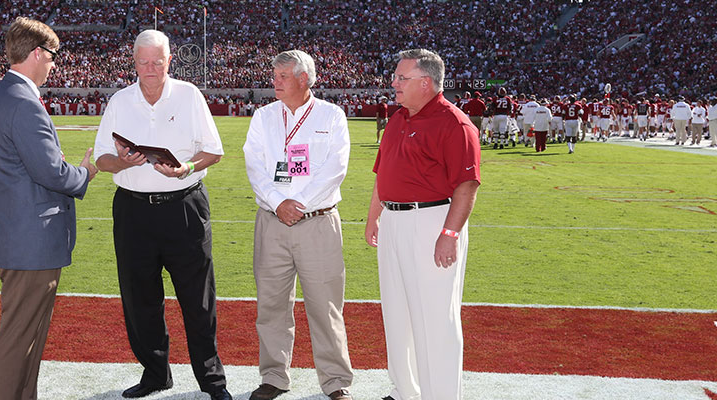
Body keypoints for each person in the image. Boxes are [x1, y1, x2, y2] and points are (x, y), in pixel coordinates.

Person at [93, 29, 231, 400]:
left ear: (170, 60)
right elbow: (102, 158)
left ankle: (212, 381)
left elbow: (213, 151)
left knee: (198, 299)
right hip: (133, 211)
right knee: (140, 300)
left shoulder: (189, 95)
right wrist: (120, 161)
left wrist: (185, 166)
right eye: (143, 62)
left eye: (158, 61)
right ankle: (155, 373)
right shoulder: (120, 101)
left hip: (184, 207)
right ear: (133, 62)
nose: (151, 69)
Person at [0, 17, 98, 400]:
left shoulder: (1, 94)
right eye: (52, 56)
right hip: (30, 241)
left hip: (16, 233)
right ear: (37, 53)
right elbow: (52, 172)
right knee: (20, 337)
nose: (54, 64)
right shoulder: (23, 102)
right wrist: (88, 170)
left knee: (27, 337)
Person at [364, 49, 480, 400]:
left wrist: (449, 234)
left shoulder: (454, 122)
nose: (394, 83)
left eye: (403, 78)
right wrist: (374, 216)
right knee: (397, 315)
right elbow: (382, 172)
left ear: (426, 83)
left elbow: (467, 184)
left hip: (432, 220)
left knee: (435, 319)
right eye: (396, 77)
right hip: (395, 221)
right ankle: (406, 391)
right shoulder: (399, 118)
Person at [242, 50, 354, 400]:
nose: (274, 81)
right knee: (271, 304)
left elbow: (335, 168)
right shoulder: (263, 116)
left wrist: (298, 205)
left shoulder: (331, 115)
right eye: (274, 75)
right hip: (272, 221)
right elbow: (255, 165)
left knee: (325, 306)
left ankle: (336, 381)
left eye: (282, 76)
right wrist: (279, 203)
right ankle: (274, 376)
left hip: (318, 222)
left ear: (304, 78)